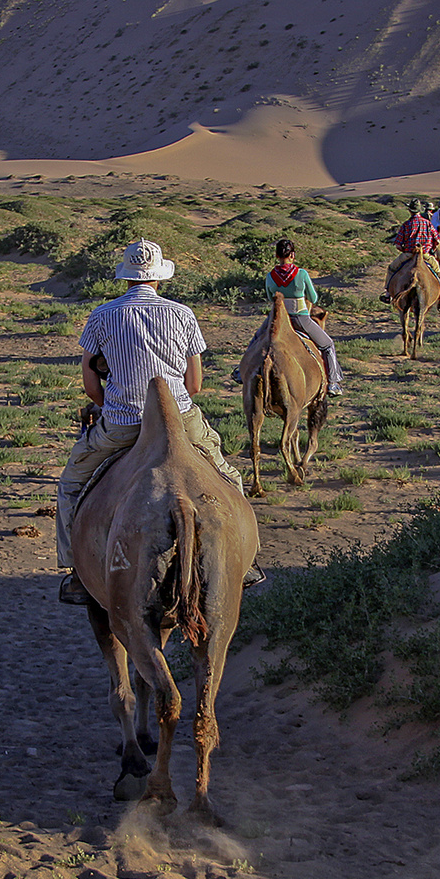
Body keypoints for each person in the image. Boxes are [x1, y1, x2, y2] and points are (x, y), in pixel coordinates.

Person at [55, 239, 264, 605]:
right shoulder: (183, 315)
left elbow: (90, 384)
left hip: (123, 421)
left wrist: (108, 406)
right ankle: (245, 561)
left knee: (72, 482)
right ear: (159, 277)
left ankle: (75, 571)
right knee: (229, 476)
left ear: (127, 276)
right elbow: (194, 384)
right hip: (180, 418)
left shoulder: (102, 316)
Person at [265, 238, 344, 396]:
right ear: (292, 255)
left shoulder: (270, 276)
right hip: (300, 318)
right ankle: (333, 383)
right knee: (328, 345)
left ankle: (241, 370)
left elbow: (269, 296)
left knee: (256, 341)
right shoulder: (301, 274)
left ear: (276, 255)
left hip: (279, 318)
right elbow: (313, 298)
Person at [380, 199, 440, 310]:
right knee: (438, 272)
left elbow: (398, 245)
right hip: (425, 254)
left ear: (410, 211)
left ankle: (387, 295)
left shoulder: (406, 224)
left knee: (391, 268)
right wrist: (431, 248)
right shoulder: (428, 223)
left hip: (409, 254)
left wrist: (404, 249)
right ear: (420, 211)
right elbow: (437, 240)